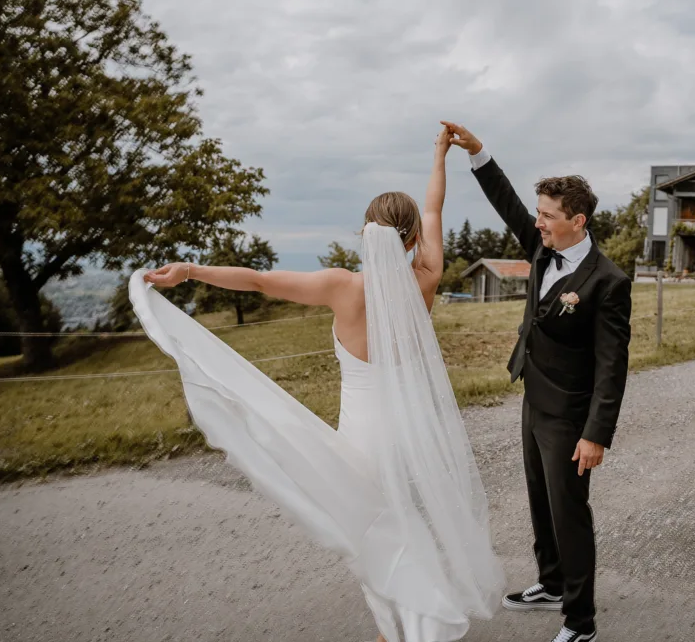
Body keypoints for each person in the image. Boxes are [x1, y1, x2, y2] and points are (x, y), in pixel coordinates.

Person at [130, 126, 504, 642]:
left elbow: (259, 280)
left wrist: (189, 270)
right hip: (412, 431)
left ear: (364, 233)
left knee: (372, 530)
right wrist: (440, 154)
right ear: (413, 238)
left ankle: (393, 627)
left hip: (363, 435)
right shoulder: (428, 276)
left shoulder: (340, 286)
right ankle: (408, 624)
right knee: (406, 522)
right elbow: (434, 207)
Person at [440, 121, 632, 642]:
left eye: (548, 216)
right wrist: (478, 153)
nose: (538, 223)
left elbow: (613, 364)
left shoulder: (607, 282)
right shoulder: (542, 248)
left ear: (577, 220)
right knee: (539, 499)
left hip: (571, 415)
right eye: (539, 215)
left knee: (569, 511)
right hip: (535, 398)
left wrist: (596, 433)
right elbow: (506, 204)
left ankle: (581, 620)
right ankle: (551, 585)